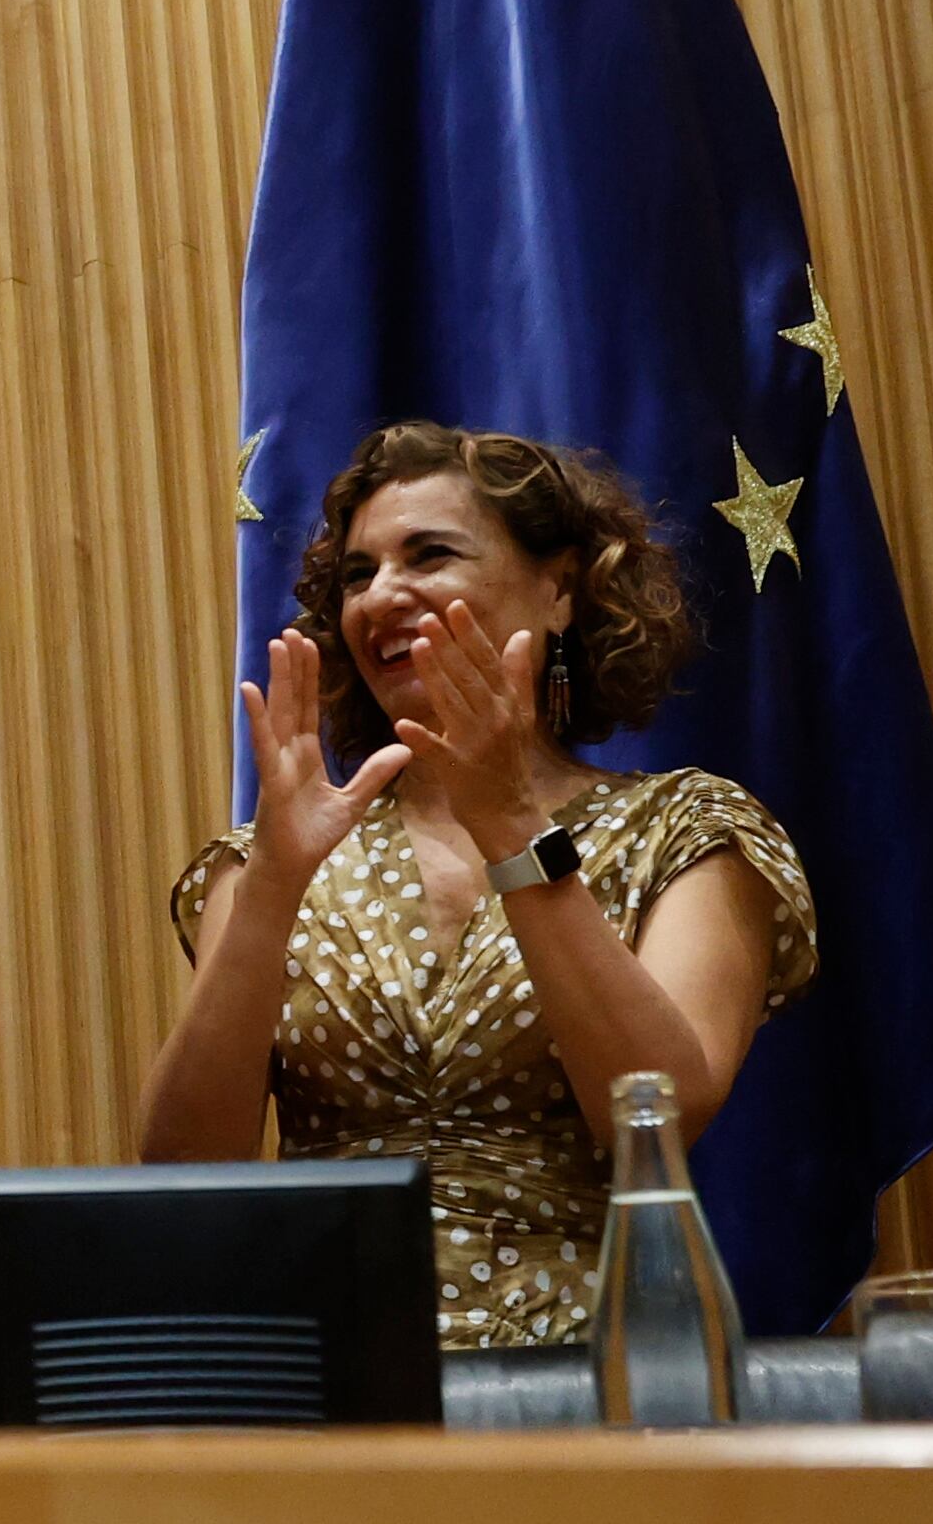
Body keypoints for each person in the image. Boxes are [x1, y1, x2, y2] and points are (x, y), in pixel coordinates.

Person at [140, 422, 815, 1350]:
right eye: (357, 574)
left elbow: (651, 1118)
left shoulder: (688, 829)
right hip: (322, 1371)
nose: (383, 595)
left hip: (589, 1373)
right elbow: (182, 1175)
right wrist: (273, 886)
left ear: (561, 589)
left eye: (430, 555)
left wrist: (510, 827)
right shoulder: (268, 857)